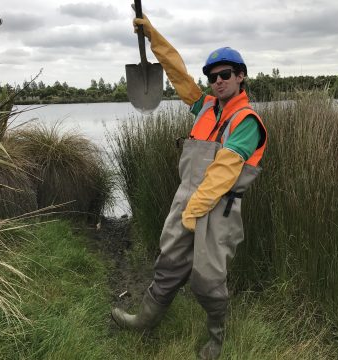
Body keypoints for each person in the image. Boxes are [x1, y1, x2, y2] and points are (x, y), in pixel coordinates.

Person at [111, 12, 267, 360]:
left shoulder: (247, 122)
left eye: (225, 74)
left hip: (219, 209)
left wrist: (193, 212)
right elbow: (178, 73)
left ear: (241, 77)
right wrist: (152, 35)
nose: (218, 80)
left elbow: (224, 172)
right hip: (188, 200)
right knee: (168, 262)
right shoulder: (204, 107)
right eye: (212, 76)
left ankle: (217, 338)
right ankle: (144, 320)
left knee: (208, 279)